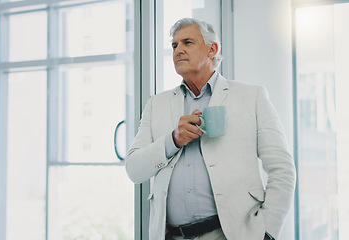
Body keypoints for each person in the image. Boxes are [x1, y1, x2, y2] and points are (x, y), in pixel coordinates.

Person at [125, 18, 296, 240]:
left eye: (187, 42)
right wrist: (173, 140)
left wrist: (267, 232)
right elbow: (134, 170)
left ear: (212, 49)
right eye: (174, 45)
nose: (178, 50)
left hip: (231, 234)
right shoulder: (156, 104)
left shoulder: (251, 97)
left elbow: (282, 169)